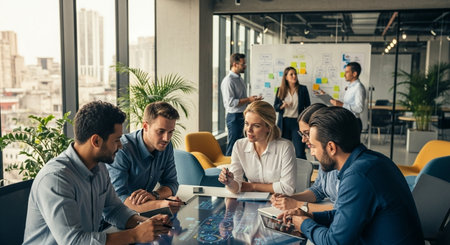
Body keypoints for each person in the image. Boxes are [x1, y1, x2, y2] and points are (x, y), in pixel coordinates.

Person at [23, 101, 171, 244]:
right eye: (116, 140)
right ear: (96, 141)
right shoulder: (56, 179)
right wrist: (135, 235)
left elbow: (114, 210)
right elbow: (74, 242)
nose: (120, 146)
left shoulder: (99, 168)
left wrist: (147, 224)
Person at [278, 106, 424, 244]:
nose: (312, 152)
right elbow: (345, 215)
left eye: (314, 146)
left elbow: (334, 242)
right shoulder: (373, 160)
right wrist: (311, 216)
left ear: (331, 147)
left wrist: (304, 224)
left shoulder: (358, 176)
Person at [107, 101, 182, 213]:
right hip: (112, 219)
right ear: (146, 126)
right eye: (161, 131)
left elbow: (172, 183)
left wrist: (155, 195)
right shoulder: (122, 149)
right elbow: (118, 198)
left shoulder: (166, 146)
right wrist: (162, 204)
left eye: (170, 132)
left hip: (143, 212)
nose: (166, 138)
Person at [218, 100, 296, 195]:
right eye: (246, 124)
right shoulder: (239, 145)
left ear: (269, 127)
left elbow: (288, 189)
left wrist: (252, 186)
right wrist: (230, 182)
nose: (249, 130)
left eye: (256, 126)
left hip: (280, 203)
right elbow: (237, 187)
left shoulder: (285, 147)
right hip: (251, 203)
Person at [271, 103, 338, 212]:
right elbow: (318, 190)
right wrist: (290, 198)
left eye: (307, 133)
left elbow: (344, 209)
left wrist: (298, 204)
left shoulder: (347, 166)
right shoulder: (324, 157)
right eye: (301, 134)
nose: (303, 139)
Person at [221, 53, 262, 156]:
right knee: (233, 143)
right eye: (243, 64)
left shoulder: (239, 79)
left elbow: (241, 99)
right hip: (234, 117)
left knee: (242, 143)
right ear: (235, 64)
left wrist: (252, 100)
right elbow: (230, 102)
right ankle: (228, 167)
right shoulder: (228, 81)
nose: (245, 66)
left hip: (242, 115)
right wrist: (248, 99)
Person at [274, 66, 311, 159]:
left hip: (297, 123)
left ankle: (303, 172)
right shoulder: (280, 90)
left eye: (295, 74)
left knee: (299, 151)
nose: (294, 76)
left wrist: (306, 121)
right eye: (291, 74)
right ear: (286, 77)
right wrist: (282, 106)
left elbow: (308, 106)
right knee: (284, 151)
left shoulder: (303, 89)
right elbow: (275, 107)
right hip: (284, 123)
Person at [330, 62, 366, 131]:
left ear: (354, 74)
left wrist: (342, 105)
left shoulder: (358, 87)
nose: (344, 75)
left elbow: (359, 108)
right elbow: (347, 102)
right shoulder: (350, 87)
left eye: (347, 72)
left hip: (353, 122)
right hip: (347, 120)